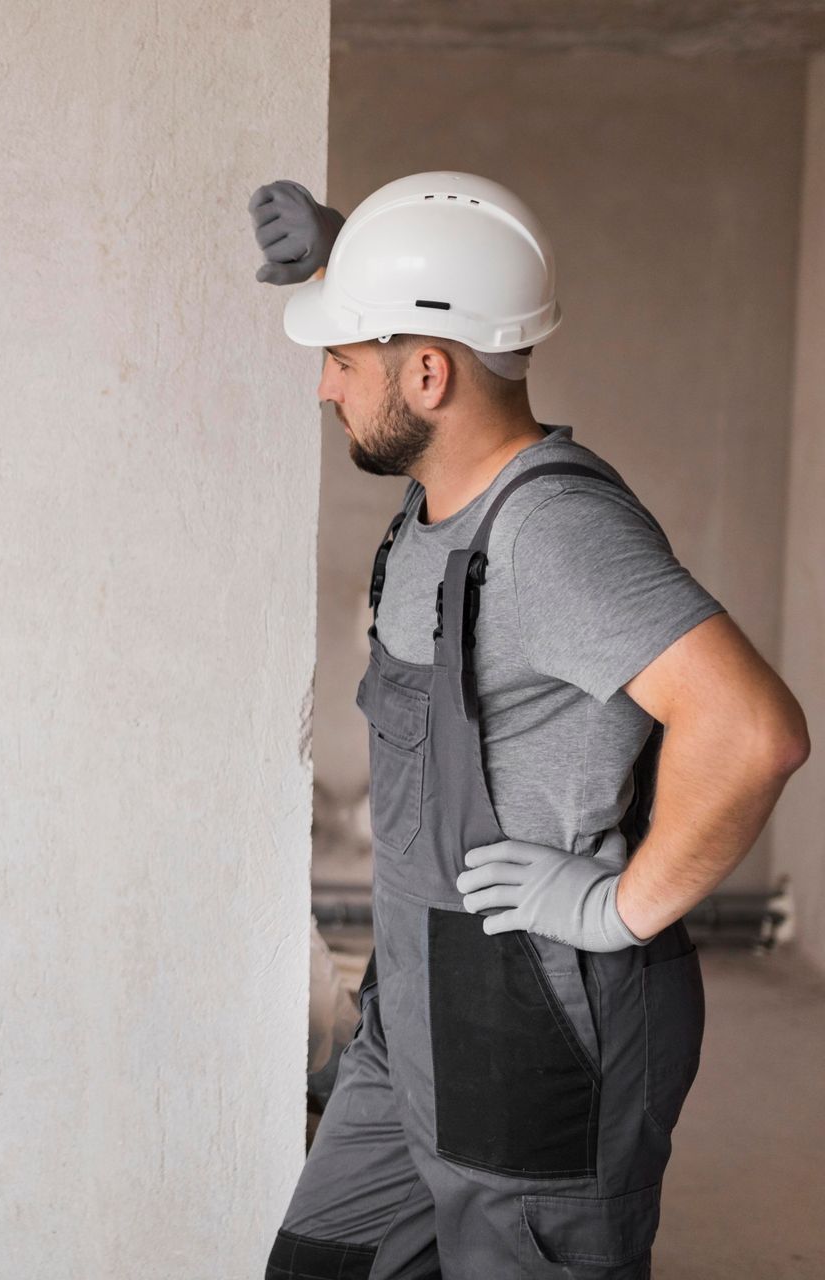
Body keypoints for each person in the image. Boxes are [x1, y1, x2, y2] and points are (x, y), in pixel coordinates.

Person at [250, 172, 810, 1277]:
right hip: (413, 1012)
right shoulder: (448, 494)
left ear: (427, 372)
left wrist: (616, 905)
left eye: (344, 359)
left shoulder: (552, 531)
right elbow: (437, 314)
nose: (323, 387)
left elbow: (754, 728)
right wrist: (352, 253)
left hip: (535, 1034)